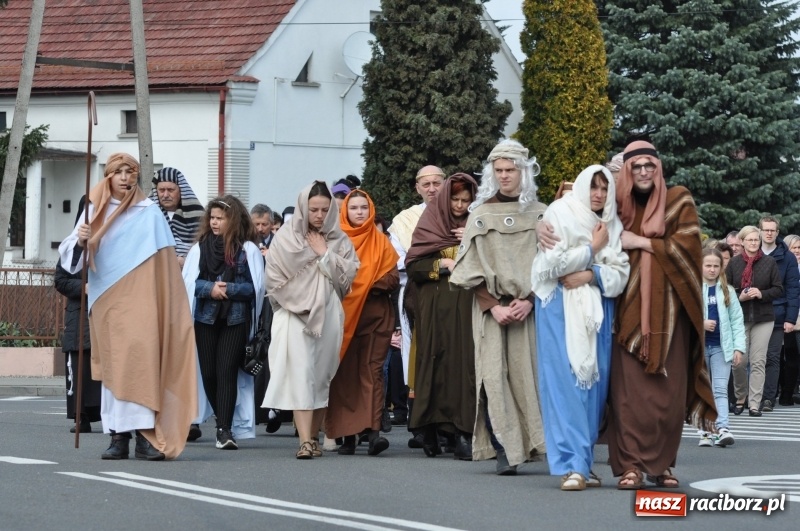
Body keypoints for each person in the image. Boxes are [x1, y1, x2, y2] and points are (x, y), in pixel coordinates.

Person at [540, 141, 717, 488]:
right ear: (628, 171)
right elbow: (572, 211)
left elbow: (689, 249)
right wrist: (538, 224)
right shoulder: (616, 205)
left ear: (659, 169)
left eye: (650, 165)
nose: (644, 172)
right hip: (624, 313)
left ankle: (662, 465)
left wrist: (642, 242)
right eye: (637, 166)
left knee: (669, 395)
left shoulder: (678, 200)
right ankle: (631, 466)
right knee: (627, 397)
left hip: (671, 315)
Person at [58, 153, 197, 460]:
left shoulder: (149, 212)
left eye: (130, 172)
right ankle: (118, 436)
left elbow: (164, 264)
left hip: (143, 299)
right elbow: (70, 260)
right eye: (118, 172)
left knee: (142, 361)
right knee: (115, 364)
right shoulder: (93, 209)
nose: (124, 177)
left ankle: (145, 436)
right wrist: (81, 240)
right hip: (107, 299)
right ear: (109, 176)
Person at [450, 139, 547, 475]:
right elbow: (469, 266)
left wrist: (530, 301)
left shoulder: (541, 213)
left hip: (528, 309)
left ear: (524, 172)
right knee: (494, 377)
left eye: (511, 170)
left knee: (527, 376)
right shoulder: (480, 215)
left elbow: (551, 263)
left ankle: (532, 443)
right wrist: (492, 306)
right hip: (491, 309)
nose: (505, 175)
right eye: (499, 170)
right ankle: (506, 447)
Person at [531, 165, 630, 491]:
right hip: (559, 308)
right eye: (593, 187)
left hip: (597, 310)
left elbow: (620, 274)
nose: (598, 194)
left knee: (592, 391)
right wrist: (592, 250)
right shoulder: (559, 212)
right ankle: (571, 466)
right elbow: (552, 264)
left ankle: (583, 464)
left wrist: (591, 274)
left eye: (605, 188)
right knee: (565, 388)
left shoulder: (611, 223)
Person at [263, 181, 359, 459]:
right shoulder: (285, 238)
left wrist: (324, 254)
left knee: (321, 376)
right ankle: (305, 441)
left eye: (325, 210)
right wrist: (300, 299)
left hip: (328, 313)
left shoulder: (339, 239)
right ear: (303, 208)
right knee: (300, 374)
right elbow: (273, 280)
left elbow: (347, 280)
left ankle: (314, 437)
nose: (319, 215)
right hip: (293, 315)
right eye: (313, 209)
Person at [405, 173, 479, 460]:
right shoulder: (430, 223)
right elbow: (414, 266)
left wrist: (473, 237)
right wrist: (443, 263)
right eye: (455, 199)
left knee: (463, 366)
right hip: (434, 308)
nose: (459, 206)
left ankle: (462, 433)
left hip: (467, 306)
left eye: (465, 200)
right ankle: (431, 431)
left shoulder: (477, 224)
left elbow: (491, 261)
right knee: (434, 364)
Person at [182, 196, 264, 450]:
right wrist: (210, 289)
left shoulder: (247, 250)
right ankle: (222, 417)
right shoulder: (200, 248)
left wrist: (228, 289)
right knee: (208, 373)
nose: (215, 222)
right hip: (205, 319)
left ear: (233, 220)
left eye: (221, 218)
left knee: (226, 371)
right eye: (212, 218)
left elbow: (255, 288)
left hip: (235, 319)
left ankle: (224, 429)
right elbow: (188, 282)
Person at [325, 190, 399, 456]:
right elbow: (327, 275)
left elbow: (392, 278)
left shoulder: (381, 242)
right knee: (344, 374)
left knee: (371, 371)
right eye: (354, 207)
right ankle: (348, 436)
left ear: (371, 211)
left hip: (376, 315)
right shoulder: (335, 241)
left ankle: (374, 432)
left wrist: (367, 285)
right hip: (342, 316)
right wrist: (361, 284)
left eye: (364, 207)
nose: (359, 212)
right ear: (344, 211)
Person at [387, 165, 445, 448]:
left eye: (437, 183)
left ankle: (449, 425)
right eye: (426, 184)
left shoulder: (461, 214)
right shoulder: (404, 220)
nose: (432, 188)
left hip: (452, 293)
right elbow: (398, 260)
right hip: (415, 292)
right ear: (418, 188)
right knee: (416, 356)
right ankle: (420, 424)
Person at [54, 196, 102, 434]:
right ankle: (80, 415)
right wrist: (83, 287)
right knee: (80, 363)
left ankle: (110, 416)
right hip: (79, 311)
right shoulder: (71, 244)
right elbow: (60, 280)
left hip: (105, 311)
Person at [726, 225, 783, 417]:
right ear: (742, 242)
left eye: (756, 240)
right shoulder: (733, 263)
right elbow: (725, 289)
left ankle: (754, 403)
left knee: (758, 361)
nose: (753, 243)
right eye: (749, 240)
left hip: (763, 318)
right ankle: (740, 397)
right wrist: (739, 297)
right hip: (739, 318)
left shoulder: (769, 262)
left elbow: (778, 289)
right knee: (739, 362)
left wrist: (761, 293)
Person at [698, 248, 745, 448]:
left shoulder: (728, 291)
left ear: (721, 268)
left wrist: (738, 348)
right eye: (708, 265)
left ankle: (723, 428)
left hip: (721, 347)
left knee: (720, 389)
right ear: (700, 266)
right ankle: (705, 431)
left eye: (716, 266)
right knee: (702, 390)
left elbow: (737, 321)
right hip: (699, 349)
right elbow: (683, 317)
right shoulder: (692, 288)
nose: (712, 269)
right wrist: (701, 323)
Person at [758, 217, 799, 412]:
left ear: (777, 232)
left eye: (772, 230)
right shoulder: (753, 252)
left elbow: (793, 289)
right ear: (760, 231)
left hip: (777, 313)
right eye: (765, 230)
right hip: (753, 312)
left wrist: (790, 318)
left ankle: (768, 398)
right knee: (754, 358)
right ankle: (752, 395)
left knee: (773, 357)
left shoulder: (787, 257)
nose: (769, 233)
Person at [148, 167, 204, 268]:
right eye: (161, 190)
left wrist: (187, 261)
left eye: (170, 190)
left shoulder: (200, 218)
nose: (165, 195)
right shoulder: (147, 216)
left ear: (181, 190)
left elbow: (208, 251)